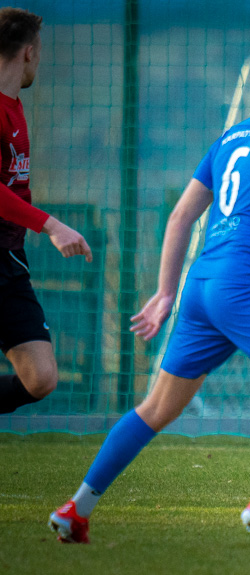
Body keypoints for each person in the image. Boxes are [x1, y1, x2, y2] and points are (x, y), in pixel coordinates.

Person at [49, 37, 250, 545]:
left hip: (201, 284)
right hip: (245, 283)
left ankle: (77, 508)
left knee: (156, 409)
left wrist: (167, 292)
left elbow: (182, 213)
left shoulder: (229, 138)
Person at [0, 7, 93, 415]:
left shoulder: (14, 107)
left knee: (40, 379)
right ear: (29, 52)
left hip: (9, 260)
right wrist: (50, 225)